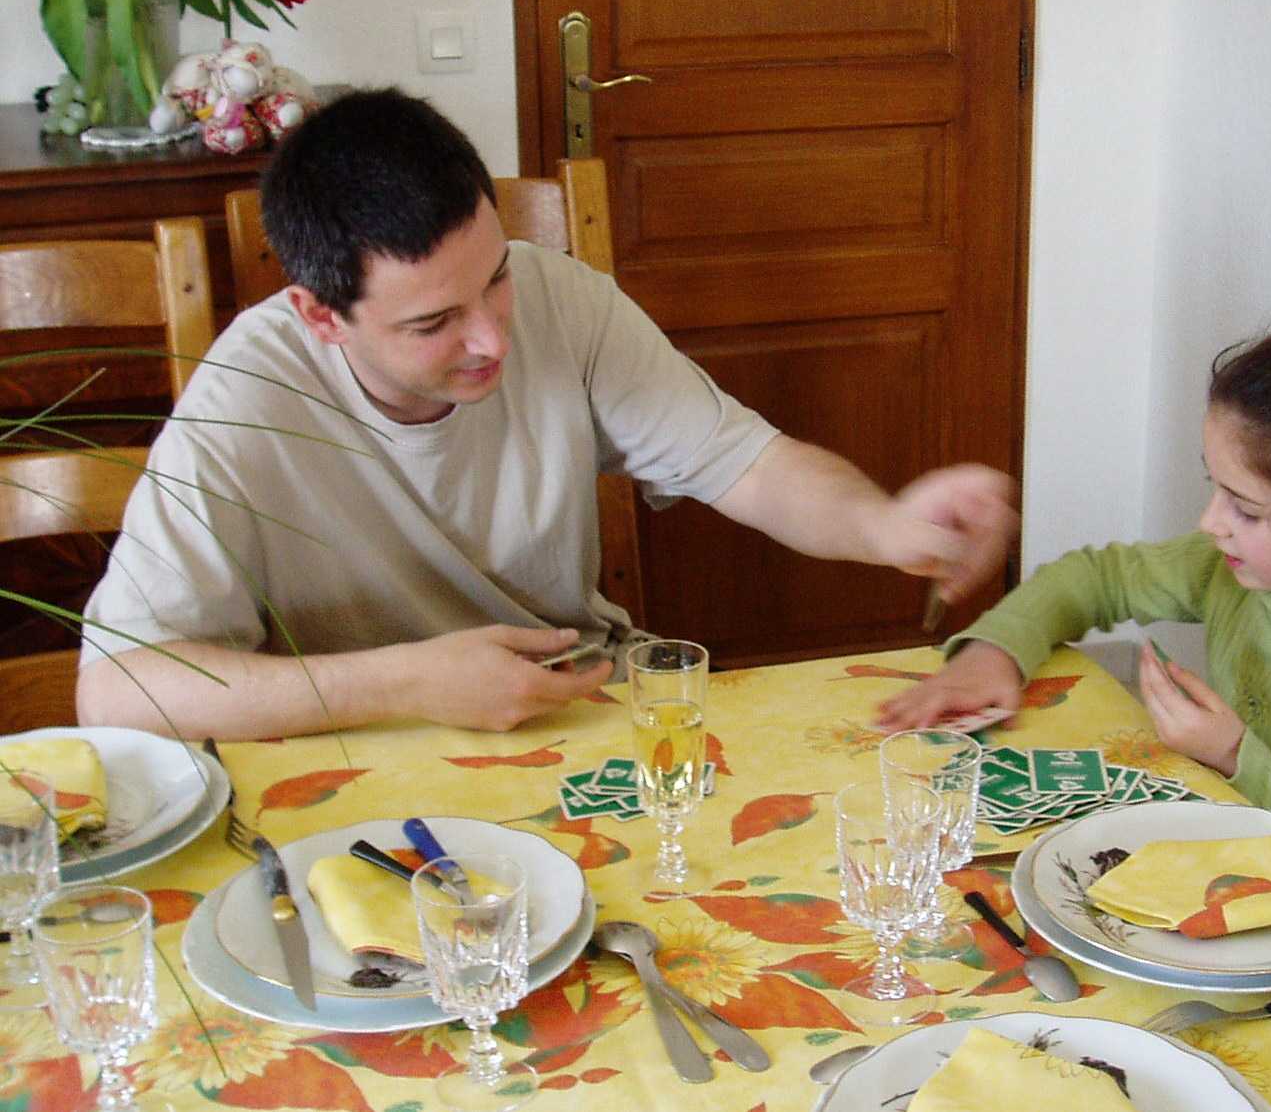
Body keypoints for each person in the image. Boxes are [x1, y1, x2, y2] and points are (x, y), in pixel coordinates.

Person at [77, 88, 1016, 741]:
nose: (491, 338)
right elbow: (116, 690)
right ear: (320, 317)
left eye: (495, 279)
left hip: (579, 713)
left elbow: (749, 465)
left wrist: (884, 526)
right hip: (363, 748)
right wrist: (404, 682)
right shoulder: (244, 398)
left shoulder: (564, 298)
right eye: (434, 322)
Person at [877, 313, 1271, 957]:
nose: (1211, 522)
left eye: (1245, 508)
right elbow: (1095, 578)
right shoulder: (1245, 570)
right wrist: (994, 651)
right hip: (1214, 895)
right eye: (1215, 488)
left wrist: (1236, 758)